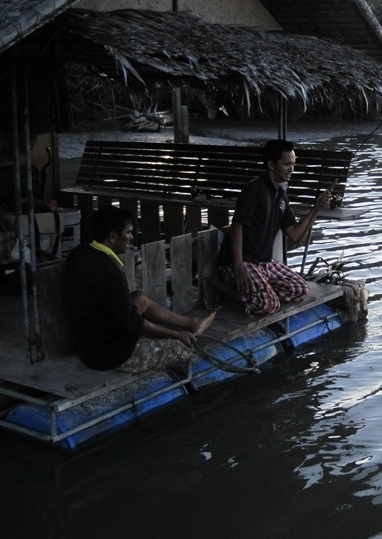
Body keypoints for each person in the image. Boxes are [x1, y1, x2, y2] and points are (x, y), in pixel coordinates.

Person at [65, 206, 215, 373]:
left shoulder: (79, 253)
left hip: (88, 339)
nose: (131, 237)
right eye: (128, 233)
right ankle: (184, 332)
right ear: (113, 235)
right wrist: (176, 335)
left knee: (139, 298)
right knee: (184, 349)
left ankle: (192, 323)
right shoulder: (110, 272)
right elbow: (134, 324)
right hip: (106, 355)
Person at [216, 139, 331, 315]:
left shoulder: (280, 194)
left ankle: (258, 288)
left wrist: (317, 208)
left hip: (264, 262)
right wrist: (238, 268)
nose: (291, 169)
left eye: (293, 164)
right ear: (271, 164)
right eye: (286, 164)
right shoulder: (255, 189)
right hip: (240, 261)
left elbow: (294, 235)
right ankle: (220, 287)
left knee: (300, 289)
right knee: (269, 305)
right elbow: (237, 226)